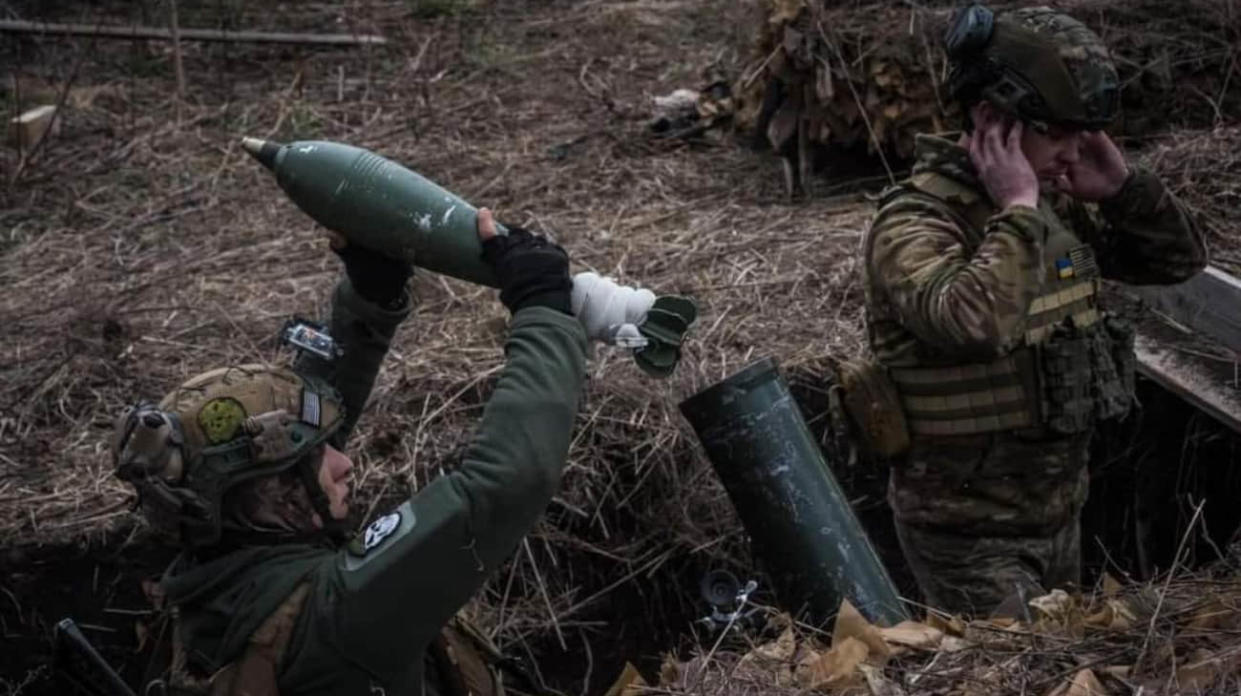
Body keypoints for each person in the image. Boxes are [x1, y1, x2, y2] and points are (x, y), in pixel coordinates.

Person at [112, 209, 586, 695]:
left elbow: (290, 443)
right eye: (311, 464)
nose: (346, 463)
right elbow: (506, 481)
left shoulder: (214, 584)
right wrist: (542, 308)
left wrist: (369, 297)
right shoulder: (337, 614)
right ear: (255, 496)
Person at [861, 4, 1207, 616]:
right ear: (993, 118)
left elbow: (1174, 262)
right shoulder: (916, 220)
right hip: (967, 538)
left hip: (1060, 513)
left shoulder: (1057, 207)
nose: (1075, 152)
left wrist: (1124, 190)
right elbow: (972, 324)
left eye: (1084, 133)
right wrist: (1017, 208)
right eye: (1058, 132)